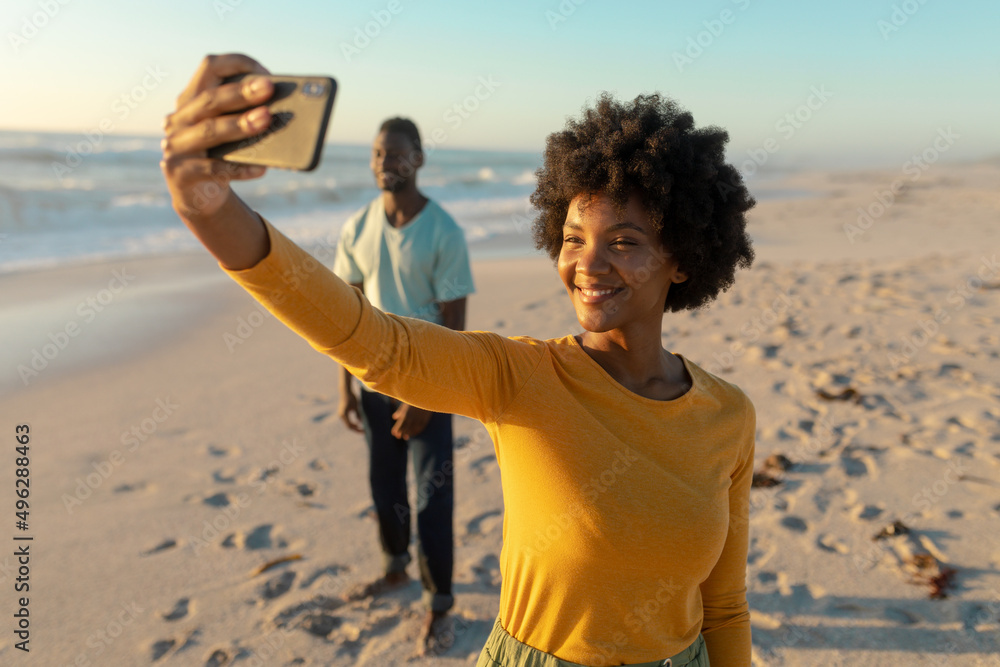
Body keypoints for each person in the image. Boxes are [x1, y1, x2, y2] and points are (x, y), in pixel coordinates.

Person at [162, 54, 757, 666]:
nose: (588, 264)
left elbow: (725, 609)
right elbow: (374, 341)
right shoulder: (520, 379)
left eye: (624, 242)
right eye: (574, 238)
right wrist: (207, 208)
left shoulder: (730, 417)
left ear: (682, 258)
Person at [333, 117, 475, 651]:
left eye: (395, 154)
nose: (383, 163)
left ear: (418, 159)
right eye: (376, 154)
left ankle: (439, 605)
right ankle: (394, 568)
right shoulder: (357, 228)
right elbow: (343, 319)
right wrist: (345, 387)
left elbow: (454, 328)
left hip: (429, 386)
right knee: (384, 487)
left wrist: (426, 397)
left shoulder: (445, 232)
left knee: (433, 496)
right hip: (373, 384)